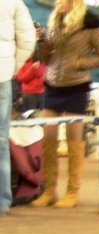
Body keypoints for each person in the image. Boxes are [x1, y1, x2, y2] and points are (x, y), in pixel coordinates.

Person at [31, 0, 99, 209]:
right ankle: (49, 190)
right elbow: (48, 55)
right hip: (52, 84)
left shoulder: (91, 23)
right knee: (48, 137)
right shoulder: (55, 20)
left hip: (77, 85)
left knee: (73, 138)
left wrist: (80, 63)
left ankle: (72, 192)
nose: (57, 2)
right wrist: (41, 40)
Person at [0, 0, 36, 217]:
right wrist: (11, 67)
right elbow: (28, 39)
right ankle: (2, 201)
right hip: (1, 72)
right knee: (1, 140)